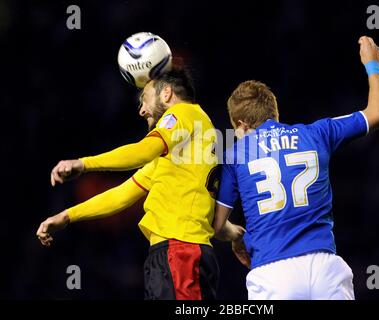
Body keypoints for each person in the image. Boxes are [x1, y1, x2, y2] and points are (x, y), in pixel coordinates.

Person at [37, 67, 244, 300]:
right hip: (176, 255)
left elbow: (142, 151)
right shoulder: (180, 154)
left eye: (144, 99)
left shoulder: (184, 113)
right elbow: (123, 194)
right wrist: (67, 216)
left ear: (166, 94)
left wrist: (84, 164)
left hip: (180, 254)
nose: (142, 110)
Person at [213, 36, 379, 299]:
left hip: (272, 273)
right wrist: (372, 64)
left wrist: (236, 236)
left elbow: (218, 226)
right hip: (326, 269)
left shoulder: (236, 153)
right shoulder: (317, 133)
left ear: (240, 125)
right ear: (275, 114)